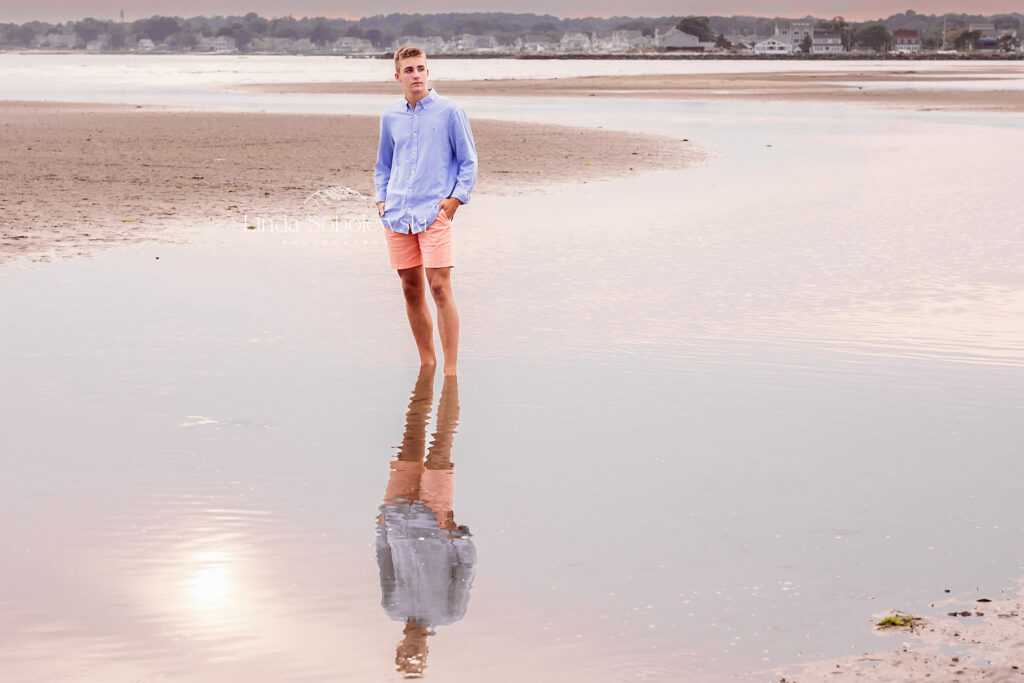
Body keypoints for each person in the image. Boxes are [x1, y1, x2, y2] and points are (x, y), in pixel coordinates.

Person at [374, 45, 478, 377]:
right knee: (411, 288)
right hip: (397, 213)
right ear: (398, 76)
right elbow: (383, 165)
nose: (416, 75)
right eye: (409, 70)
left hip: (434, 212)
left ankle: (450, 371)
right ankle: (427, 363)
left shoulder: (450, 112)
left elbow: (468, 161)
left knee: (439, 286)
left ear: (427, 72)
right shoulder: (390, 117)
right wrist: (381, 198)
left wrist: (456, 199)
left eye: (420, 68)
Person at [376, 366, 475, 678]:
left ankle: (429, 371)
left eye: (405, 655)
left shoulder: (392, 608)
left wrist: (381, 526)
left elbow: (384, 561)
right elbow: (466, 571)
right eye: (415, 657)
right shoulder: (449, 614)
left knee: (411, 434)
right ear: (426, 654)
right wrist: (456, 534)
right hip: (433, 517)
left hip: (396, 513)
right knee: (442, 444)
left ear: (398, 649)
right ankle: (449, 380)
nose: (412, 651)